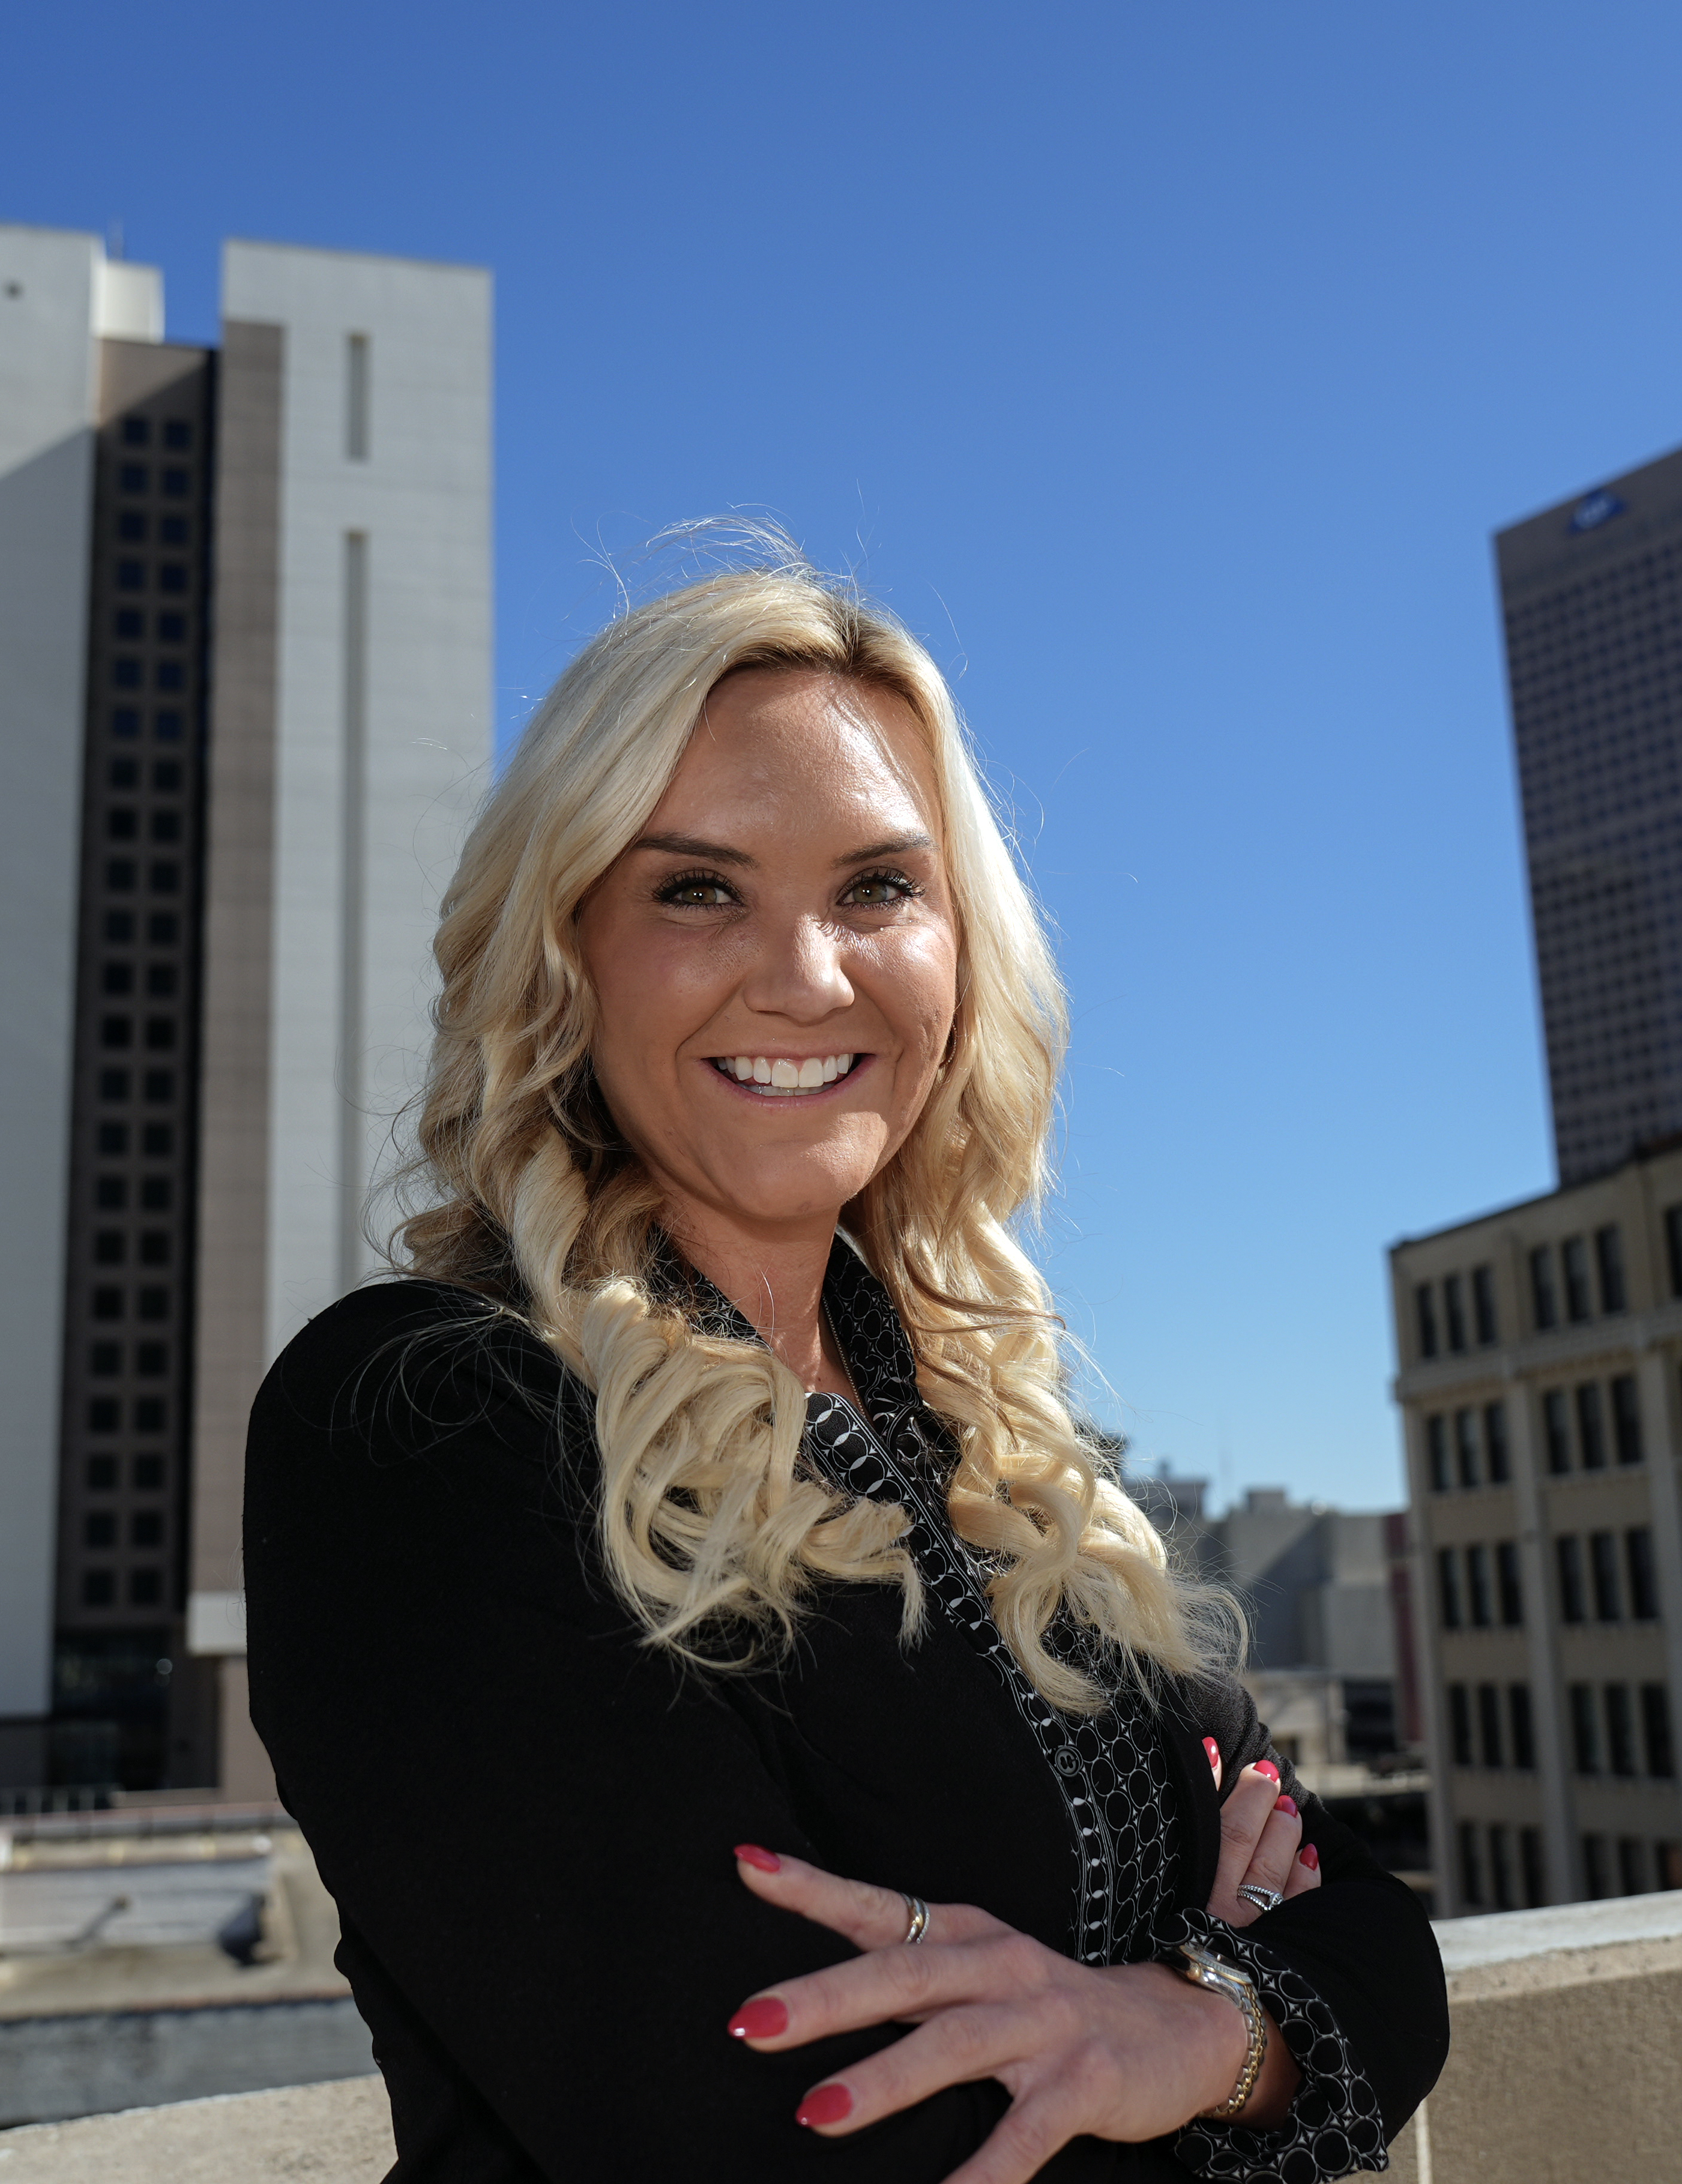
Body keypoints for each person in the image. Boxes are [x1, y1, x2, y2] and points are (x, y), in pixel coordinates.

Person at [245, 552, 1448, 2182]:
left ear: (960, 954)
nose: (804, 976)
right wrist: (1242, 2021)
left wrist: (1188, 2033)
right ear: (565, 950)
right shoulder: (429, 1418)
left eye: (877, 887)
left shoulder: (997, 1445)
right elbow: (773, 2144)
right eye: (695, 889)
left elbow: (1369, 1925)